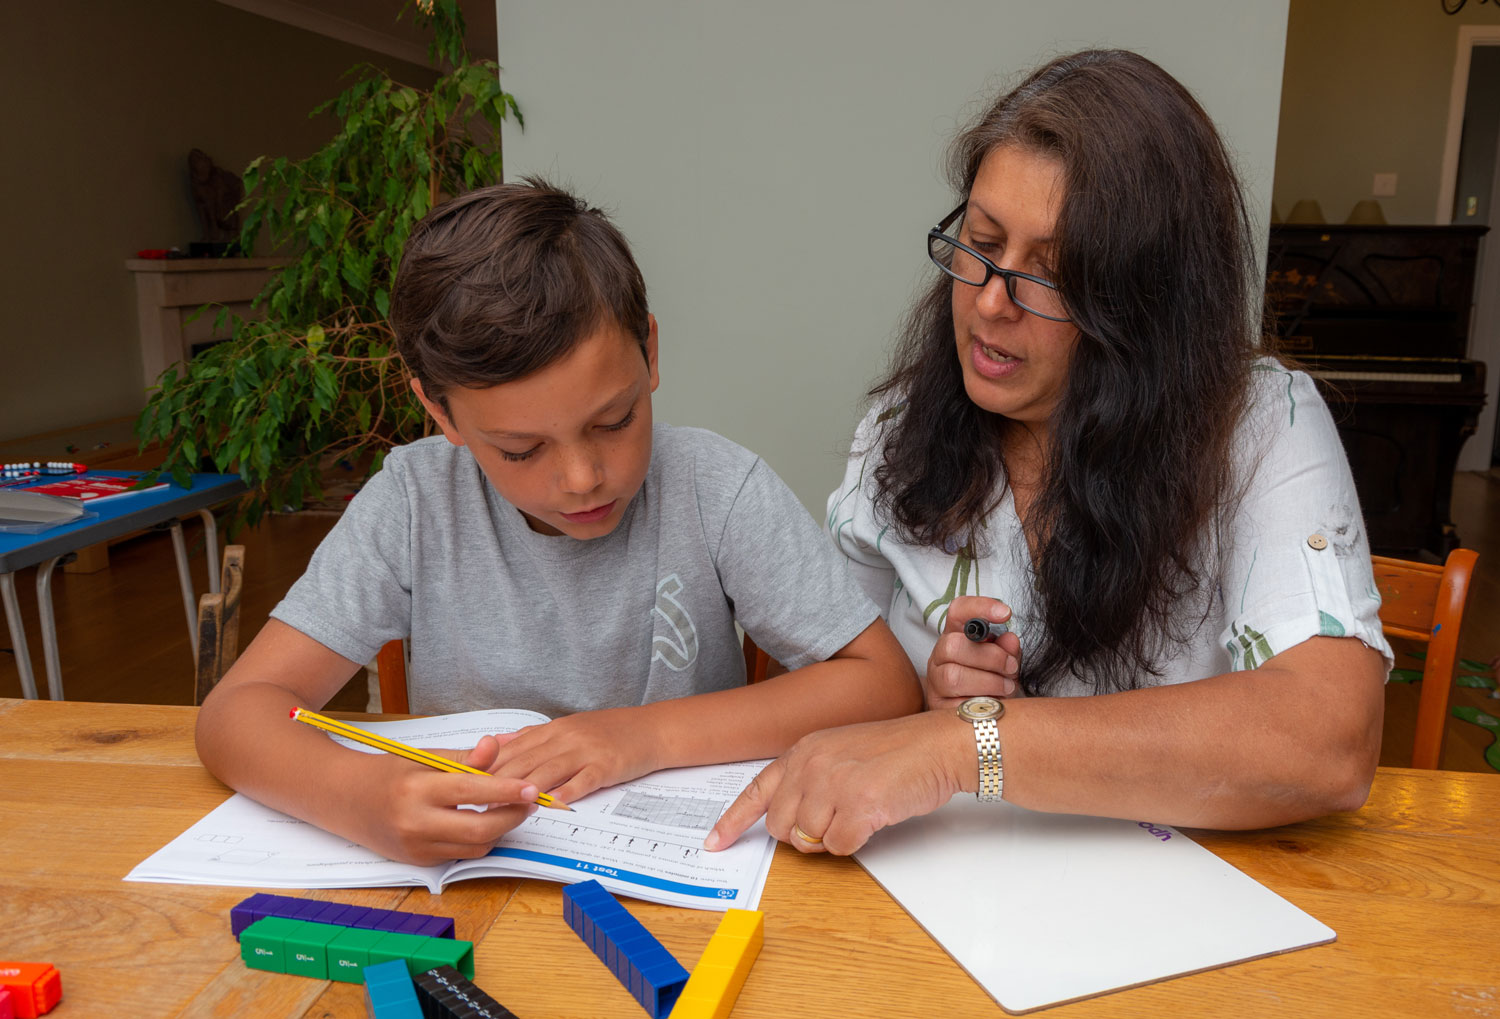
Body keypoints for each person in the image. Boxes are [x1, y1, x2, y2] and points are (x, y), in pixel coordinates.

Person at [706, 49, 1392, 857]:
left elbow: (1328, 740)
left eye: (1054, 273)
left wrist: (969, 742)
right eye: (982, 241)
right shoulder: (895, 429)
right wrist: (920, 702)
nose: (992, 301)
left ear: (1150, 306)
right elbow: (842, 702)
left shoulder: (1262, 424)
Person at [196, 179, 921, 866]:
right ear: (441, 411)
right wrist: (361, 797)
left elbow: (883, 685)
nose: (581, 478)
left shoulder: (718, 489)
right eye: (520, 450)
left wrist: (642, 736)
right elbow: (235, 714)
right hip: (473, 881)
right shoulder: (414, 502)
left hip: (680, 871)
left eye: (615, 420)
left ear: (650, 352)